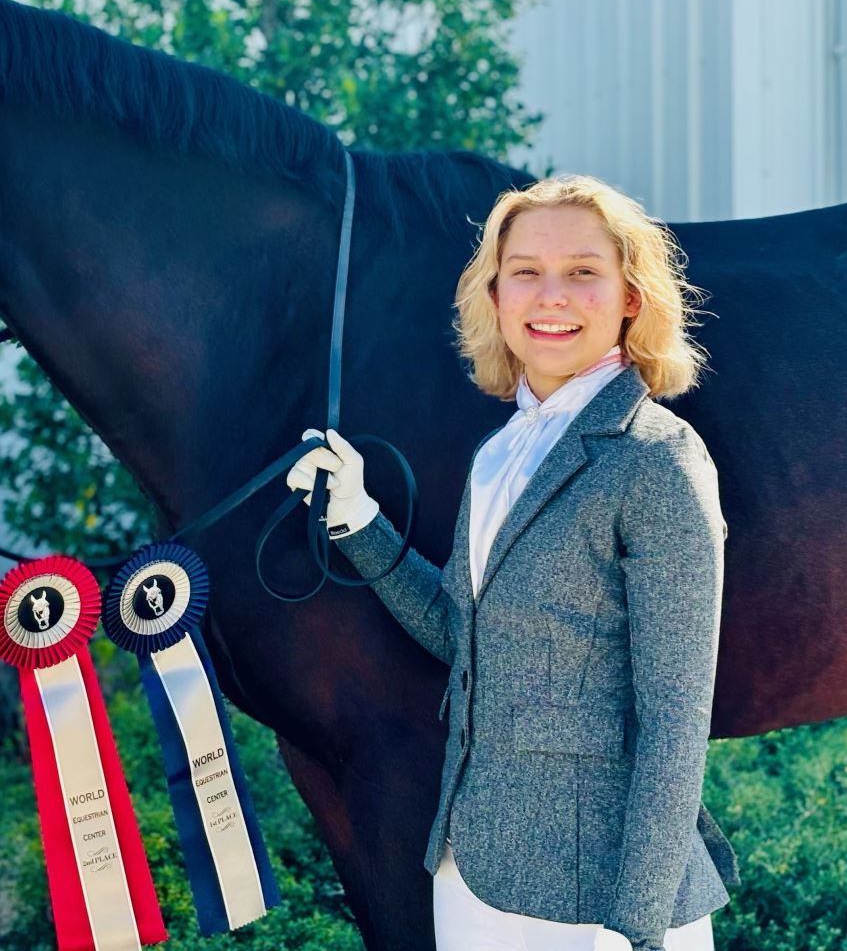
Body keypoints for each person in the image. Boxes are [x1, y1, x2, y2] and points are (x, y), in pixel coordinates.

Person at [286, 174, 740, 951]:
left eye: (583, 272)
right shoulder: (502, 453)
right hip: (472, 868)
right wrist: (361, 520)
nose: (550, 295)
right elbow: (464, 638)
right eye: (524, 270)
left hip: (601, 901)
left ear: (631, 296)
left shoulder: (659, 460)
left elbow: (676, 718)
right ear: (495, 296)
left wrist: (637, 929)